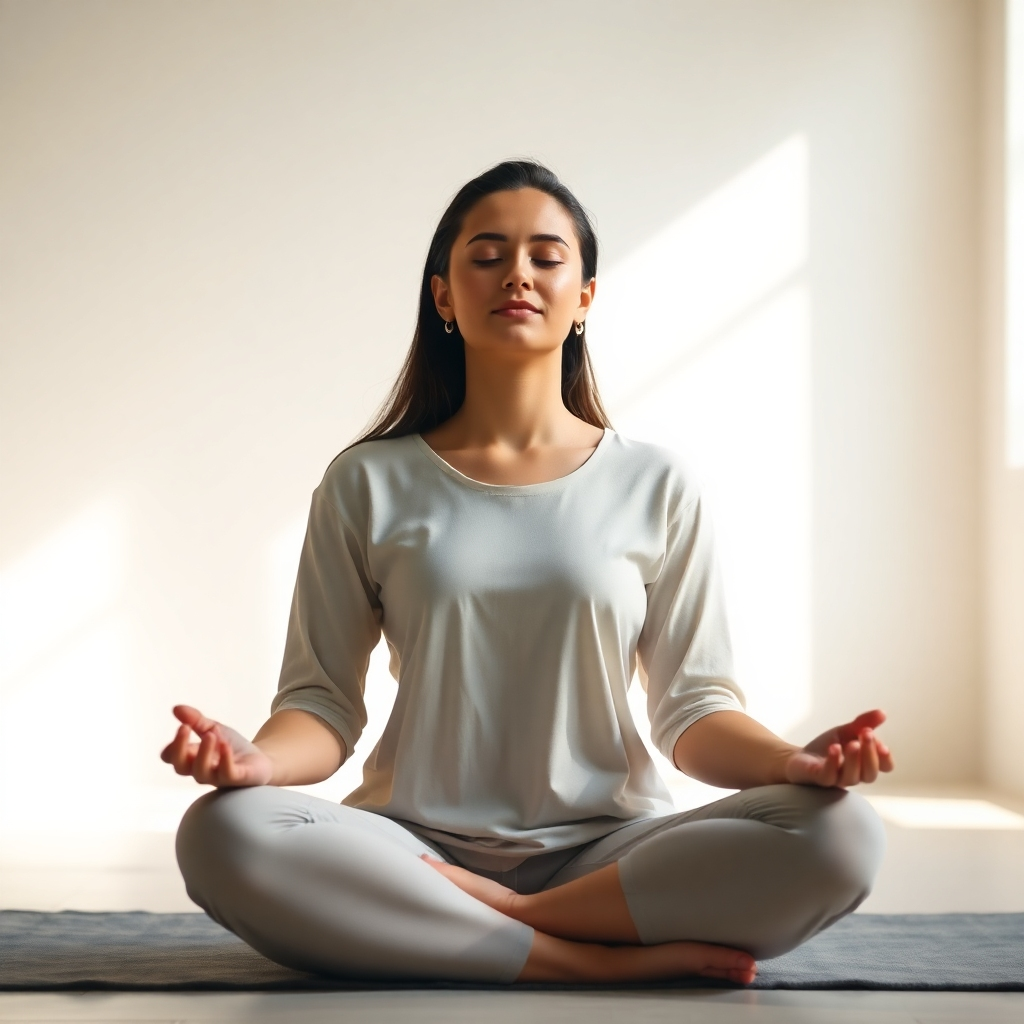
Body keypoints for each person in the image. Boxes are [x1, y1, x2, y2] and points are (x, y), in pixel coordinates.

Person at [163, 160, 892, 986]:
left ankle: (508, 922)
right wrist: (256, 765)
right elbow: (321, 705)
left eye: (547, 256)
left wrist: (792, 765)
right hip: (411, 845)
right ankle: (587, 964)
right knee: (221, 832)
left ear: (584, 297)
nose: (517, 272)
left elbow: (695, 711)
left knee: (843, 835)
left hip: (607, 852)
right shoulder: (366, 481)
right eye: (487, 254)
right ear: (443, 296)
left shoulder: (655, 483)